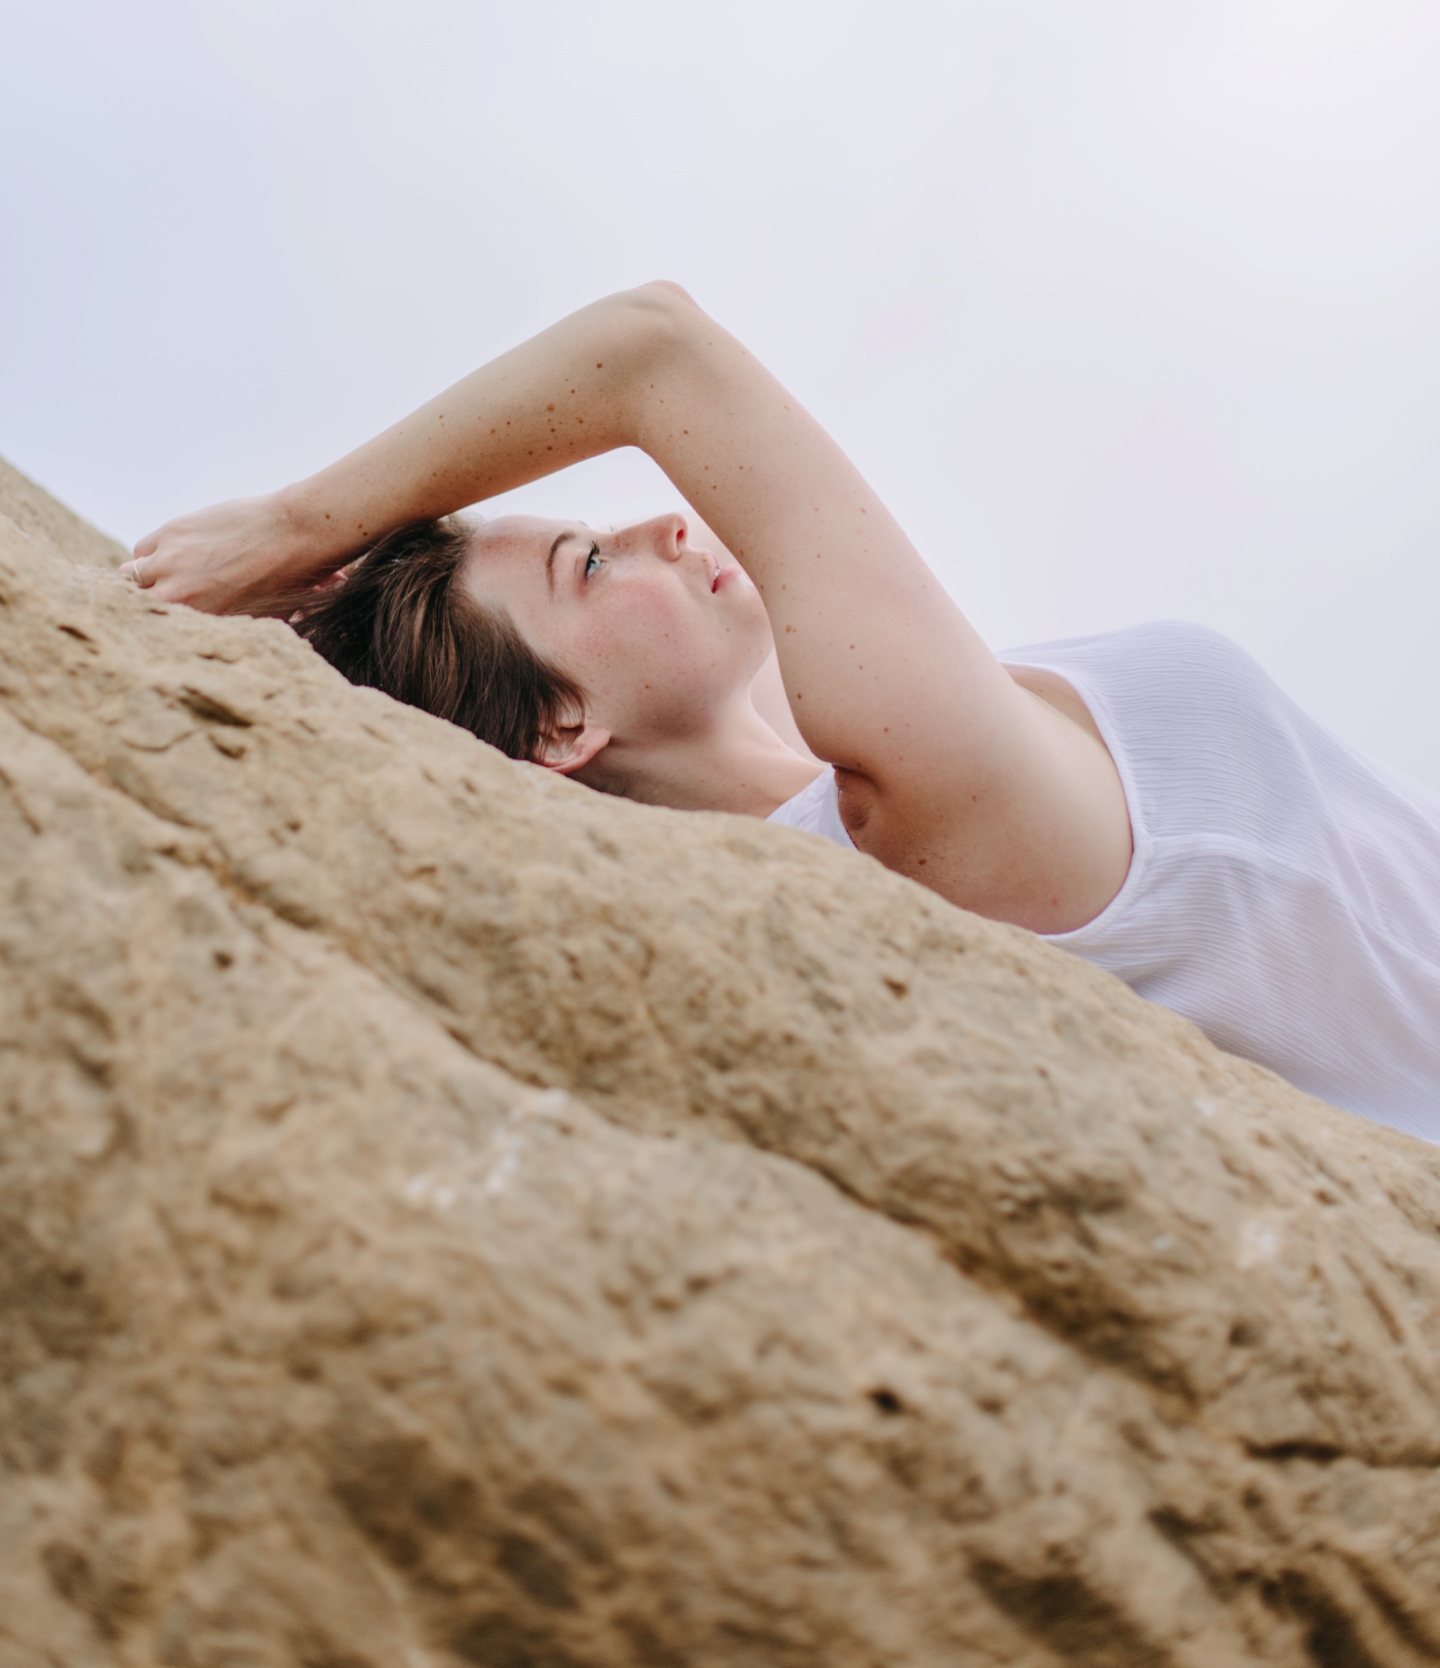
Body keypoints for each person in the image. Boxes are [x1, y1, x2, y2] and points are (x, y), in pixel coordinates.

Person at [123, 283, 1440, 1143]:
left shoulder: (882, 778)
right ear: (554, 733)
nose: (652, 522)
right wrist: (300, 527)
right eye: (589, 567)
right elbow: (657, 351)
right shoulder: (904, 800)